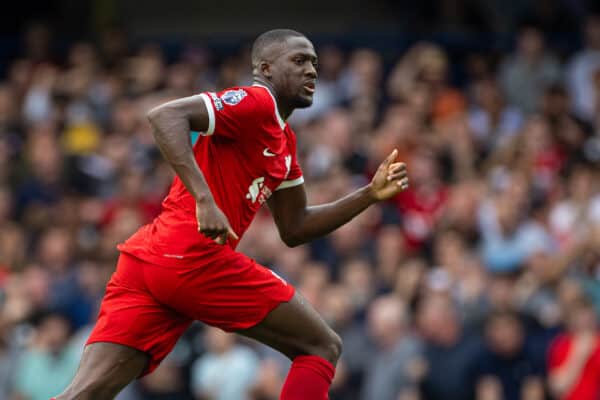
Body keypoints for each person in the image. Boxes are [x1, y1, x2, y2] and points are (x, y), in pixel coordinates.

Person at [53, 29, 409, 400]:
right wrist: (204, 199)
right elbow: (164, 116)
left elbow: (295, 226)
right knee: (320, 347)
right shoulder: (255, 102)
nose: (312, 71)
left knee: (85, 394)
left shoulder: (284, 140)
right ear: (266, 69)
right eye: (300, 61)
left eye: (315, 63)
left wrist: (368, 195)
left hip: (151, 261)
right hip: (191, 256)